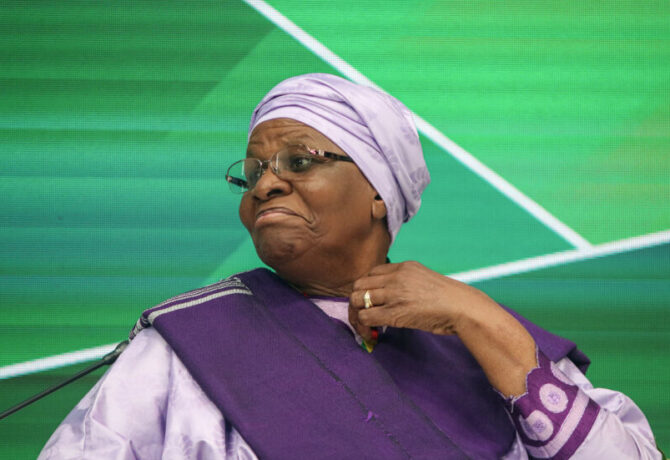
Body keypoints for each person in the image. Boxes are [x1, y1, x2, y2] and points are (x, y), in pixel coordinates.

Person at [39, 73, 661, 459]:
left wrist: (482, 319)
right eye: (253, 173)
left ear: (378, 193)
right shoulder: (187, 347)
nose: (265, 186)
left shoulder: (488, 337)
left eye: (299, 161)